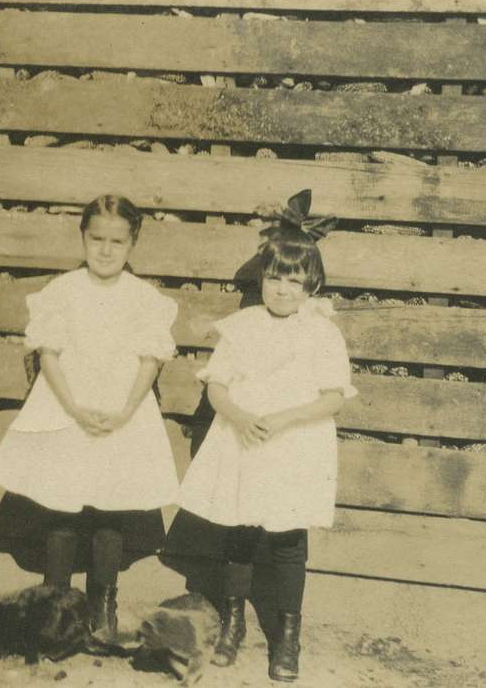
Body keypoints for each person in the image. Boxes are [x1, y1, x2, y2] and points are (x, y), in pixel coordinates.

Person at [175, 190, 357, 682]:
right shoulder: (243, 326)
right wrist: (235, 415)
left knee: (286, 538)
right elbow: (217, 387)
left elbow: (333, 398)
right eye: (275, 278)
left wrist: (286, 418)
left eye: (294, 282)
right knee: (240, 529)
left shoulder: (322, 333)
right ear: (263, 277)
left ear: (311, 285)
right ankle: (233, 622)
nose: (282, 290)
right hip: (246, 439)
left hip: (295, 445)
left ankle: (288, 635)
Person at [0, 194, 181, 648]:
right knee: (62, 506)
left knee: (110, 506)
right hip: (65, 406)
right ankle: (55, 606)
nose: (106, 250)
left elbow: (150, 360)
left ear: (132, 243)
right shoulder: (63, 291)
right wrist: (72, 409)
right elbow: (48, 355)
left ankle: (102, 605)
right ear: (83, 238)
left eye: (117, 241)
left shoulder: (144, 299)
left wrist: (125, 411)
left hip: (121, 412)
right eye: (97, 239)